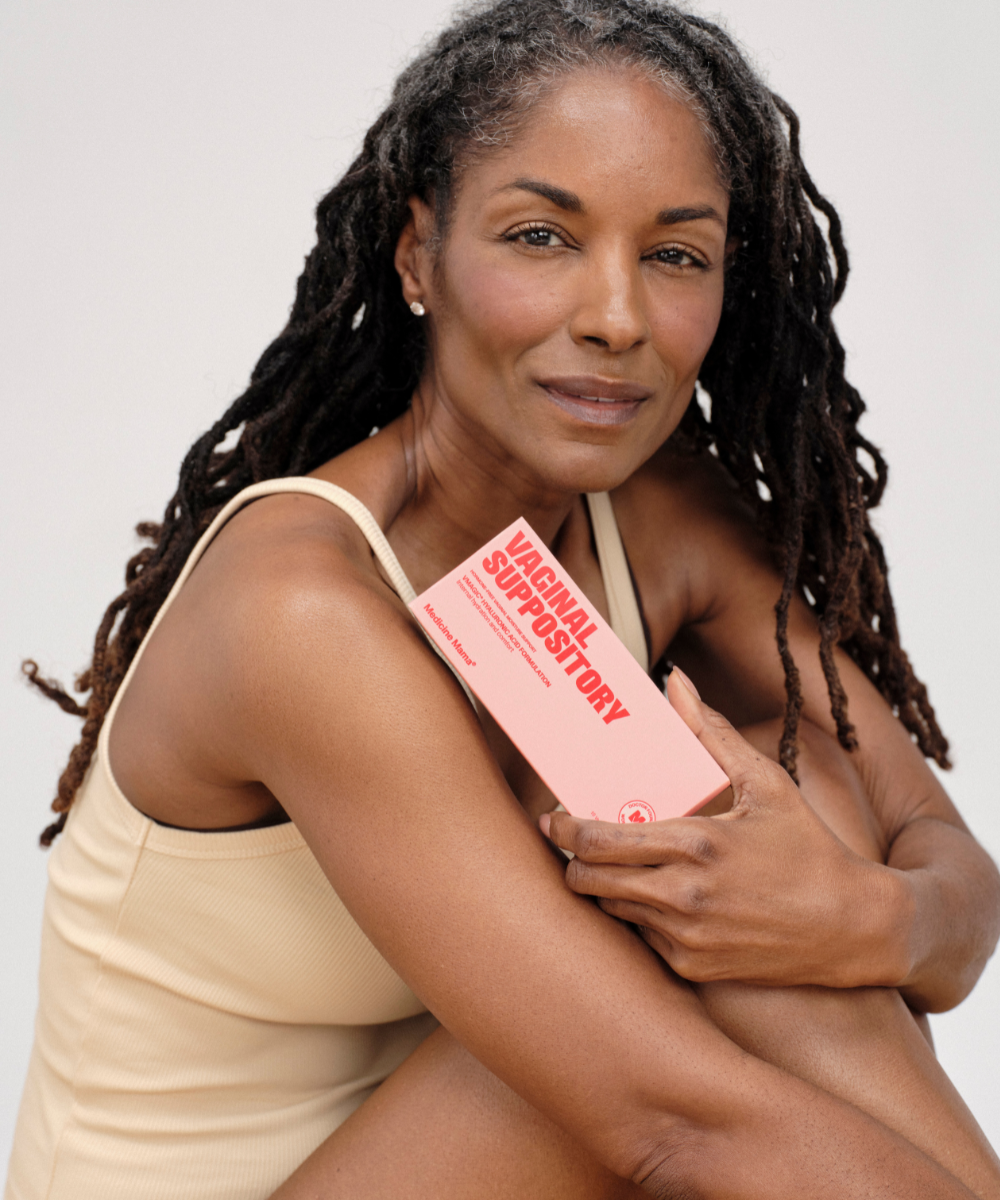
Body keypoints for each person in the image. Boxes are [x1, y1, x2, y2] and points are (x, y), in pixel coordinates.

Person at [7, 0, 1000, 1196]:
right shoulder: (300, 611)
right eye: (542, 238)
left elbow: (947, 869)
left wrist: (852, 918)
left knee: (781, 803)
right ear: (419, 255)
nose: (617, 317)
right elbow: (677, 1128)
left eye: (676, 254)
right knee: (669, 899)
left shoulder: (662, 520)